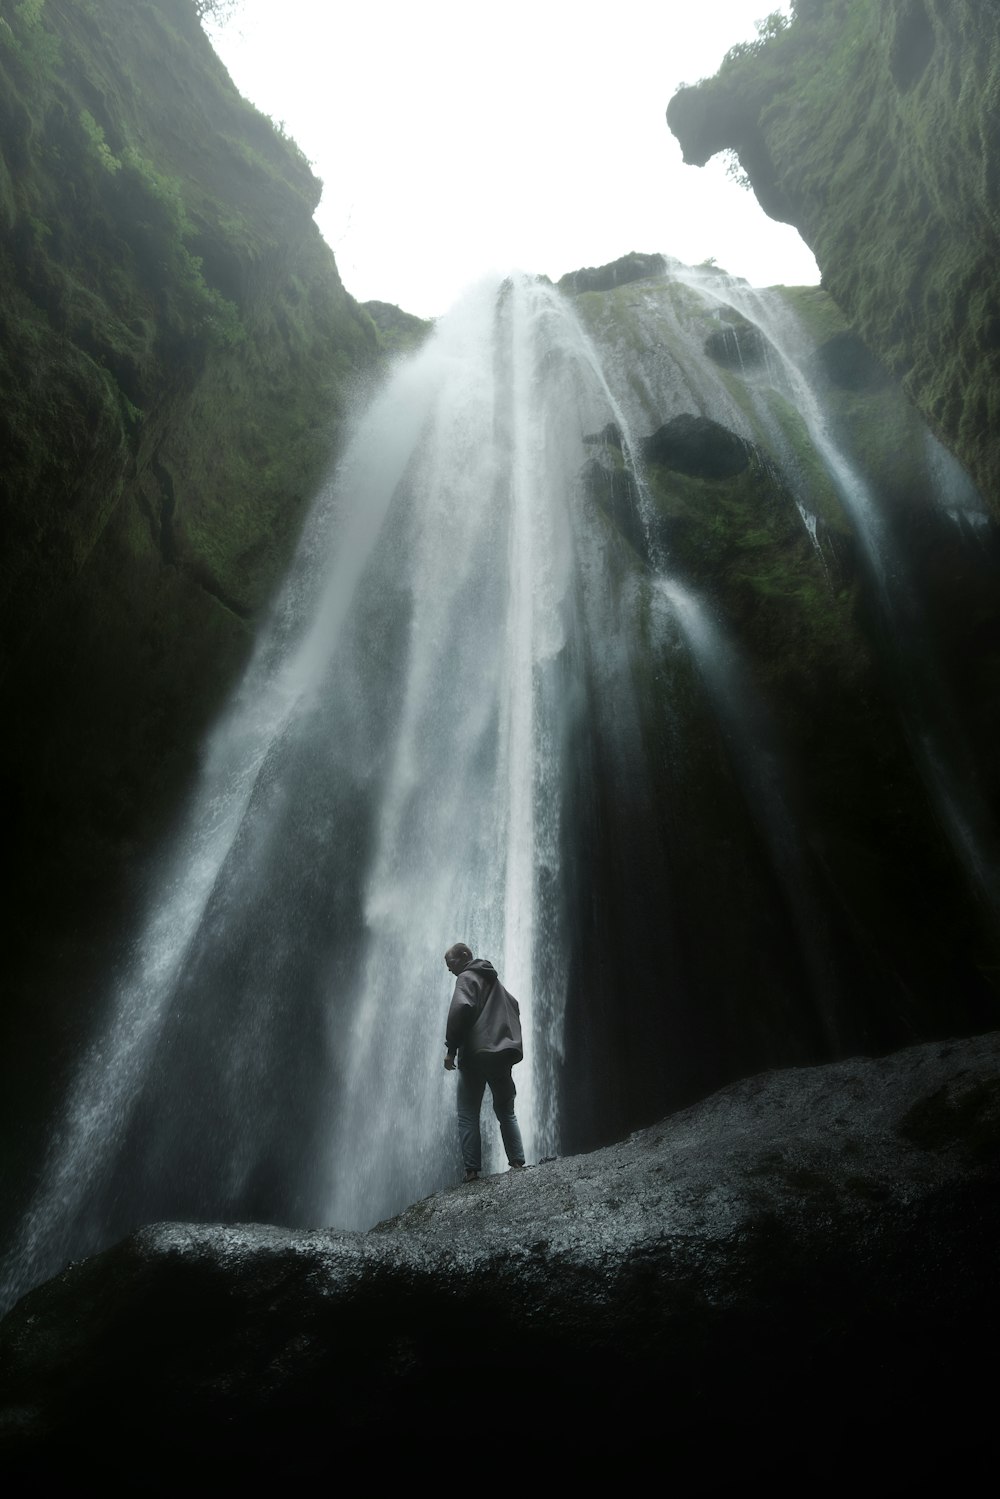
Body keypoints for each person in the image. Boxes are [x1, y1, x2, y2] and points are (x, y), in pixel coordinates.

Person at [443, 942, 525, 1181]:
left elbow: (460, 1009)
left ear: (465, 956)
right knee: (505, 1110)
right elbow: (515, 1005)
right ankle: (518, 1162)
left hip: (475, 1056)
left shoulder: (467, 978)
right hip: (499, 1054)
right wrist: (508, 1041)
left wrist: (451, 1049)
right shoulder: (494, 982)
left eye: (451, 964)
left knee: (468, 1112)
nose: (449, 970)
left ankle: (471, 1171)